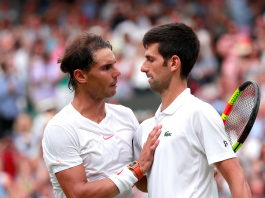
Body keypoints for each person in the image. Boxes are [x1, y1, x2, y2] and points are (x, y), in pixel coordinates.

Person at [133, 22, 252, 198]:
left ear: (174, 63)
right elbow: (147, 184)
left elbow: (236, 178)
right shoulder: (144, 129)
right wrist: (139, 167)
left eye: (150, 59)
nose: (143, 67)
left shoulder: (199, 113)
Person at [42, 33, 162, 198]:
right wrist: (136, 169)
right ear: (80, 76)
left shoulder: (125, 115)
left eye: (114, 64)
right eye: (106, 67)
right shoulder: (60, 127)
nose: (117, 72)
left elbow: (142, 182)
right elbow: (78, 194)